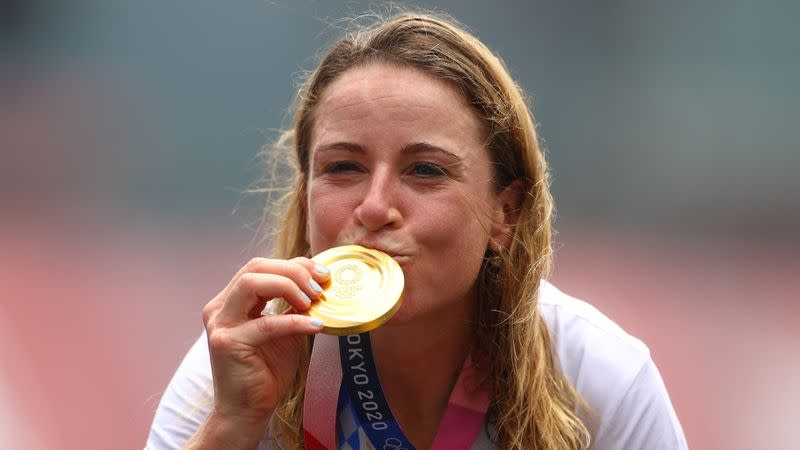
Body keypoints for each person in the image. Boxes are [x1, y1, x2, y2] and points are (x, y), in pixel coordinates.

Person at [146, 10, 687, 450]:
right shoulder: (245, 368)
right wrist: (230, 428)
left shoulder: (597, 377)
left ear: (506, 212)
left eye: (425, 170)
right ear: (306, 195)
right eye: (343, 168)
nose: (376, 206)